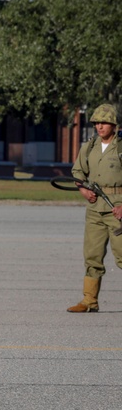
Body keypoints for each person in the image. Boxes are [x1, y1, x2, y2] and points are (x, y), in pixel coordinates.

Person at [67, 102, 122, 312]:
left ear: (113, 124)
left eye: (104, 122)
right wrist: (83, 190)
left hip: (117, 210)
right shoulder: (89, 146)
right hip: (95, 209)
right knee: (92, 255)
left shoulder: (121, 147)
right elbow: (78, 172)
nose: (100, 126)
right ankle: (89, 301)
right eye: (97, 122)